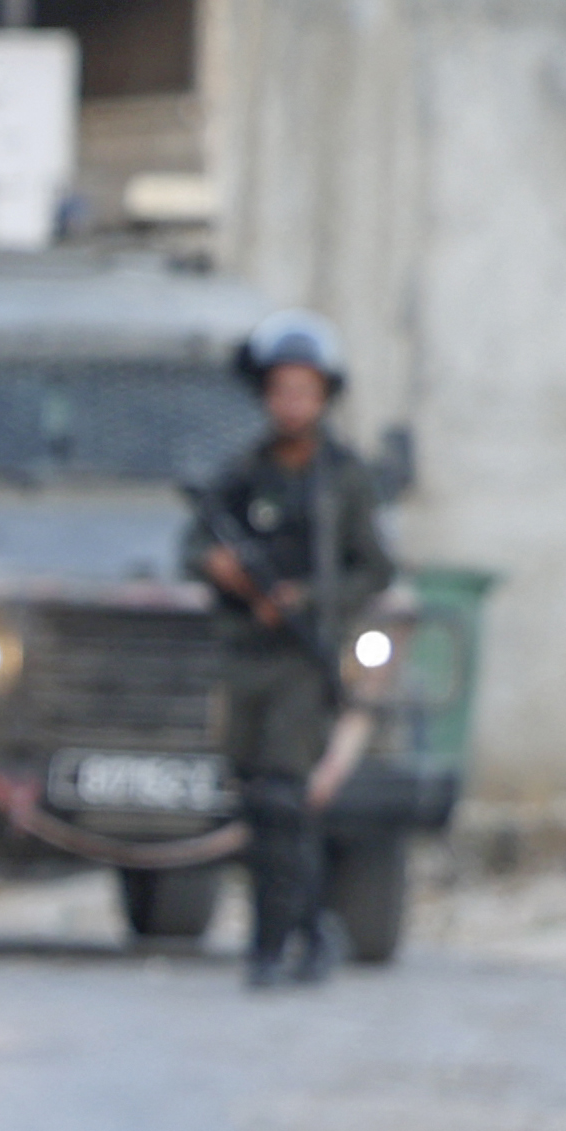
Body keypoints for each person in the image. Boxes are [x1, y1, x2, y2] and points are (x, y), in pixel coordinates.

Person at [186, 309, 394, 988]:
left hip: (303, 659)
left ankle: (271, 943)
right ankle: (306, 928)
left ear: (324, 396)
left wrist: (309, 601)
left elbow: (375, 569)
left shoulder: (343, 479)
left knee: (283, 798)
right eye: (280, 389)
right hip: (245, 652)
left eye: (304, 390)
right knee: (253, 801)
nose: (291, 403)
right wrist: (224, 571)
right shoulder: (244, 472)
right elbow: (194, 543)